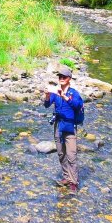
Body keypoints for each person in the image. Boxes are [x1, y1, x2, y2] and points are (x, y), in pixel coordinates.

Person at [42, 65, 84, 193]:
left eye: (63, 77)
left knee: (71, 155)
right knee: (61, 153)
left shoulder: (74, 93)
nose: (61, 78)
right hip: (58, 125)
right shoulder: (55, 91)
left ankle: (73, 182)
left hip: (70, 126)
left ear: (69, 79)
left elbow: (77, 105)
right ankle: (66, 177)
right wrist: (47, 96)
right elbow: (46, 105)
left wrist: (65, 97)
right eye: (59, 76)